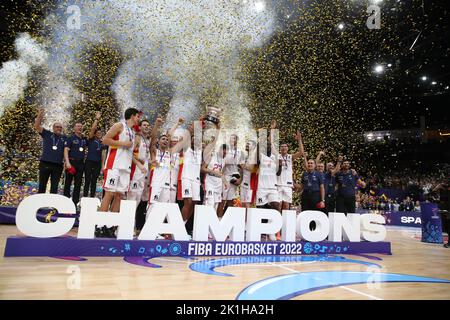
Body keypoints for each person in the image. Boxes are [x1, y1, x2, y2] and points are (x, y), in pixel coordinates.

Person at [100, 108, 140, 217]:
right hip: (114, 165)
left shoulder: (133, 132)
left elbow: (129, 152)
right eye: (137, 116)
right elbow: (105, 140)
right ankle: (99, 224)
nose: (138, 119)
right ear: (132, 116)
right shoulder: (119, 125)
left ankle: (110, 225)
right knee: (110, 193)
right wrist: (123, 143)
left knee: (119, 196)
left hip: (125, 168)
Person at [34, 107, 67, 194]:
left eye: (60, 127)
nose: (59, 128)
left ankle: (52, 206)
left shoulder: (64, 138)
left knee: (54, 188)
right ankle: (39, 205)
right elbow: (36, 126)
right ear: (53, 128)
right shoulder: (47, 134)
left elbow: (67, 151)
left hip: (58, 165)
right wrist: (40, 115)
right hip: (45, 163)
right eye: (57, 127)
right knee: (42, 186)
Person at [63, 121, 90, 206]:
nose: (80, 128)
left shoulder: (84, 139)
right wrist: (67, 162)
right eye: (78, 126)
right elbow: (66, 150)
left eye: (81, 126)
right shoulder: (70, 138)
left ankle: (74, 203)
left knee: (78, 184)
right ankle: (65, 202)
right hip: (71, 162)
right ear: (74, 128)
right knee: (68, 183)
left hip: (81, 164)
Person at [277, 131, 304, 211]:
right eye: (282, 146)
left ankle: (285, 223)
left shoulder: (290, 157)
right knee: (279, 205)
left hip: (288, 185)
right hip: (278, 184)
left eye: (285, 146)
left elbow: (301, 152)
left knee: (286, 206)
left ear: (287, 148)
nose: (284, 148)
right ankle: (277, 222)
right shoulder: (277, 156)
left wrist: (299, 140)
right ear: (280, 148)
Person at [218, 133, 243, 216]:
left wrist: (240, 179)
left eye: (234, 138)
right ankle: (219, 219)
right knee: (222, 200)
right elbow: (222, 163)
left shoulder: (240, 152)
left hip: (234, 178)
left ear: (237, 140)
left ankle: (226, 221)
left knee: (230, 201)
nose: (232, 140)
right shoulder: (226, 150)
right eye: (231, 138)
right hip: (225, 177)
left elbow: (241, 167)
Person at [83, 111, 105, 198]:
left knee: (94, 181)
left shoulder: (103, 142)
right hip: (89, 162)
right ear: (95, 134)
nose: (100, 134)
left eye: (101, 133)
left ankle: (92, 197)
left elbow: (104, 154)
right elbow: (92, 129)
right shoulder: (91, 139)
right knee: (87, 181)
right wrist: (97, 119)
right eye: (98, 133)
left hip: (97, 164)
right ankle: (84, 197)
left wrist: (102, 165)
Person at [240, 140, 258, 209]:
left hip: (250, 184)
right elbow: (243, 169)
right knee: (243, 204)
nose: (246, 145)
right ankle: (243, 219)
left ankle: (249, 219)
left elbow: (251, 168)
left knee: (248, 204)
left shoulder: (255, 157)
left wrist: (242, 165)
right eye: (246, 144)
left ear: (253, 147)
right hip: (244, 182)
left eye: (249, 144)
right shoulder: (246, 156)